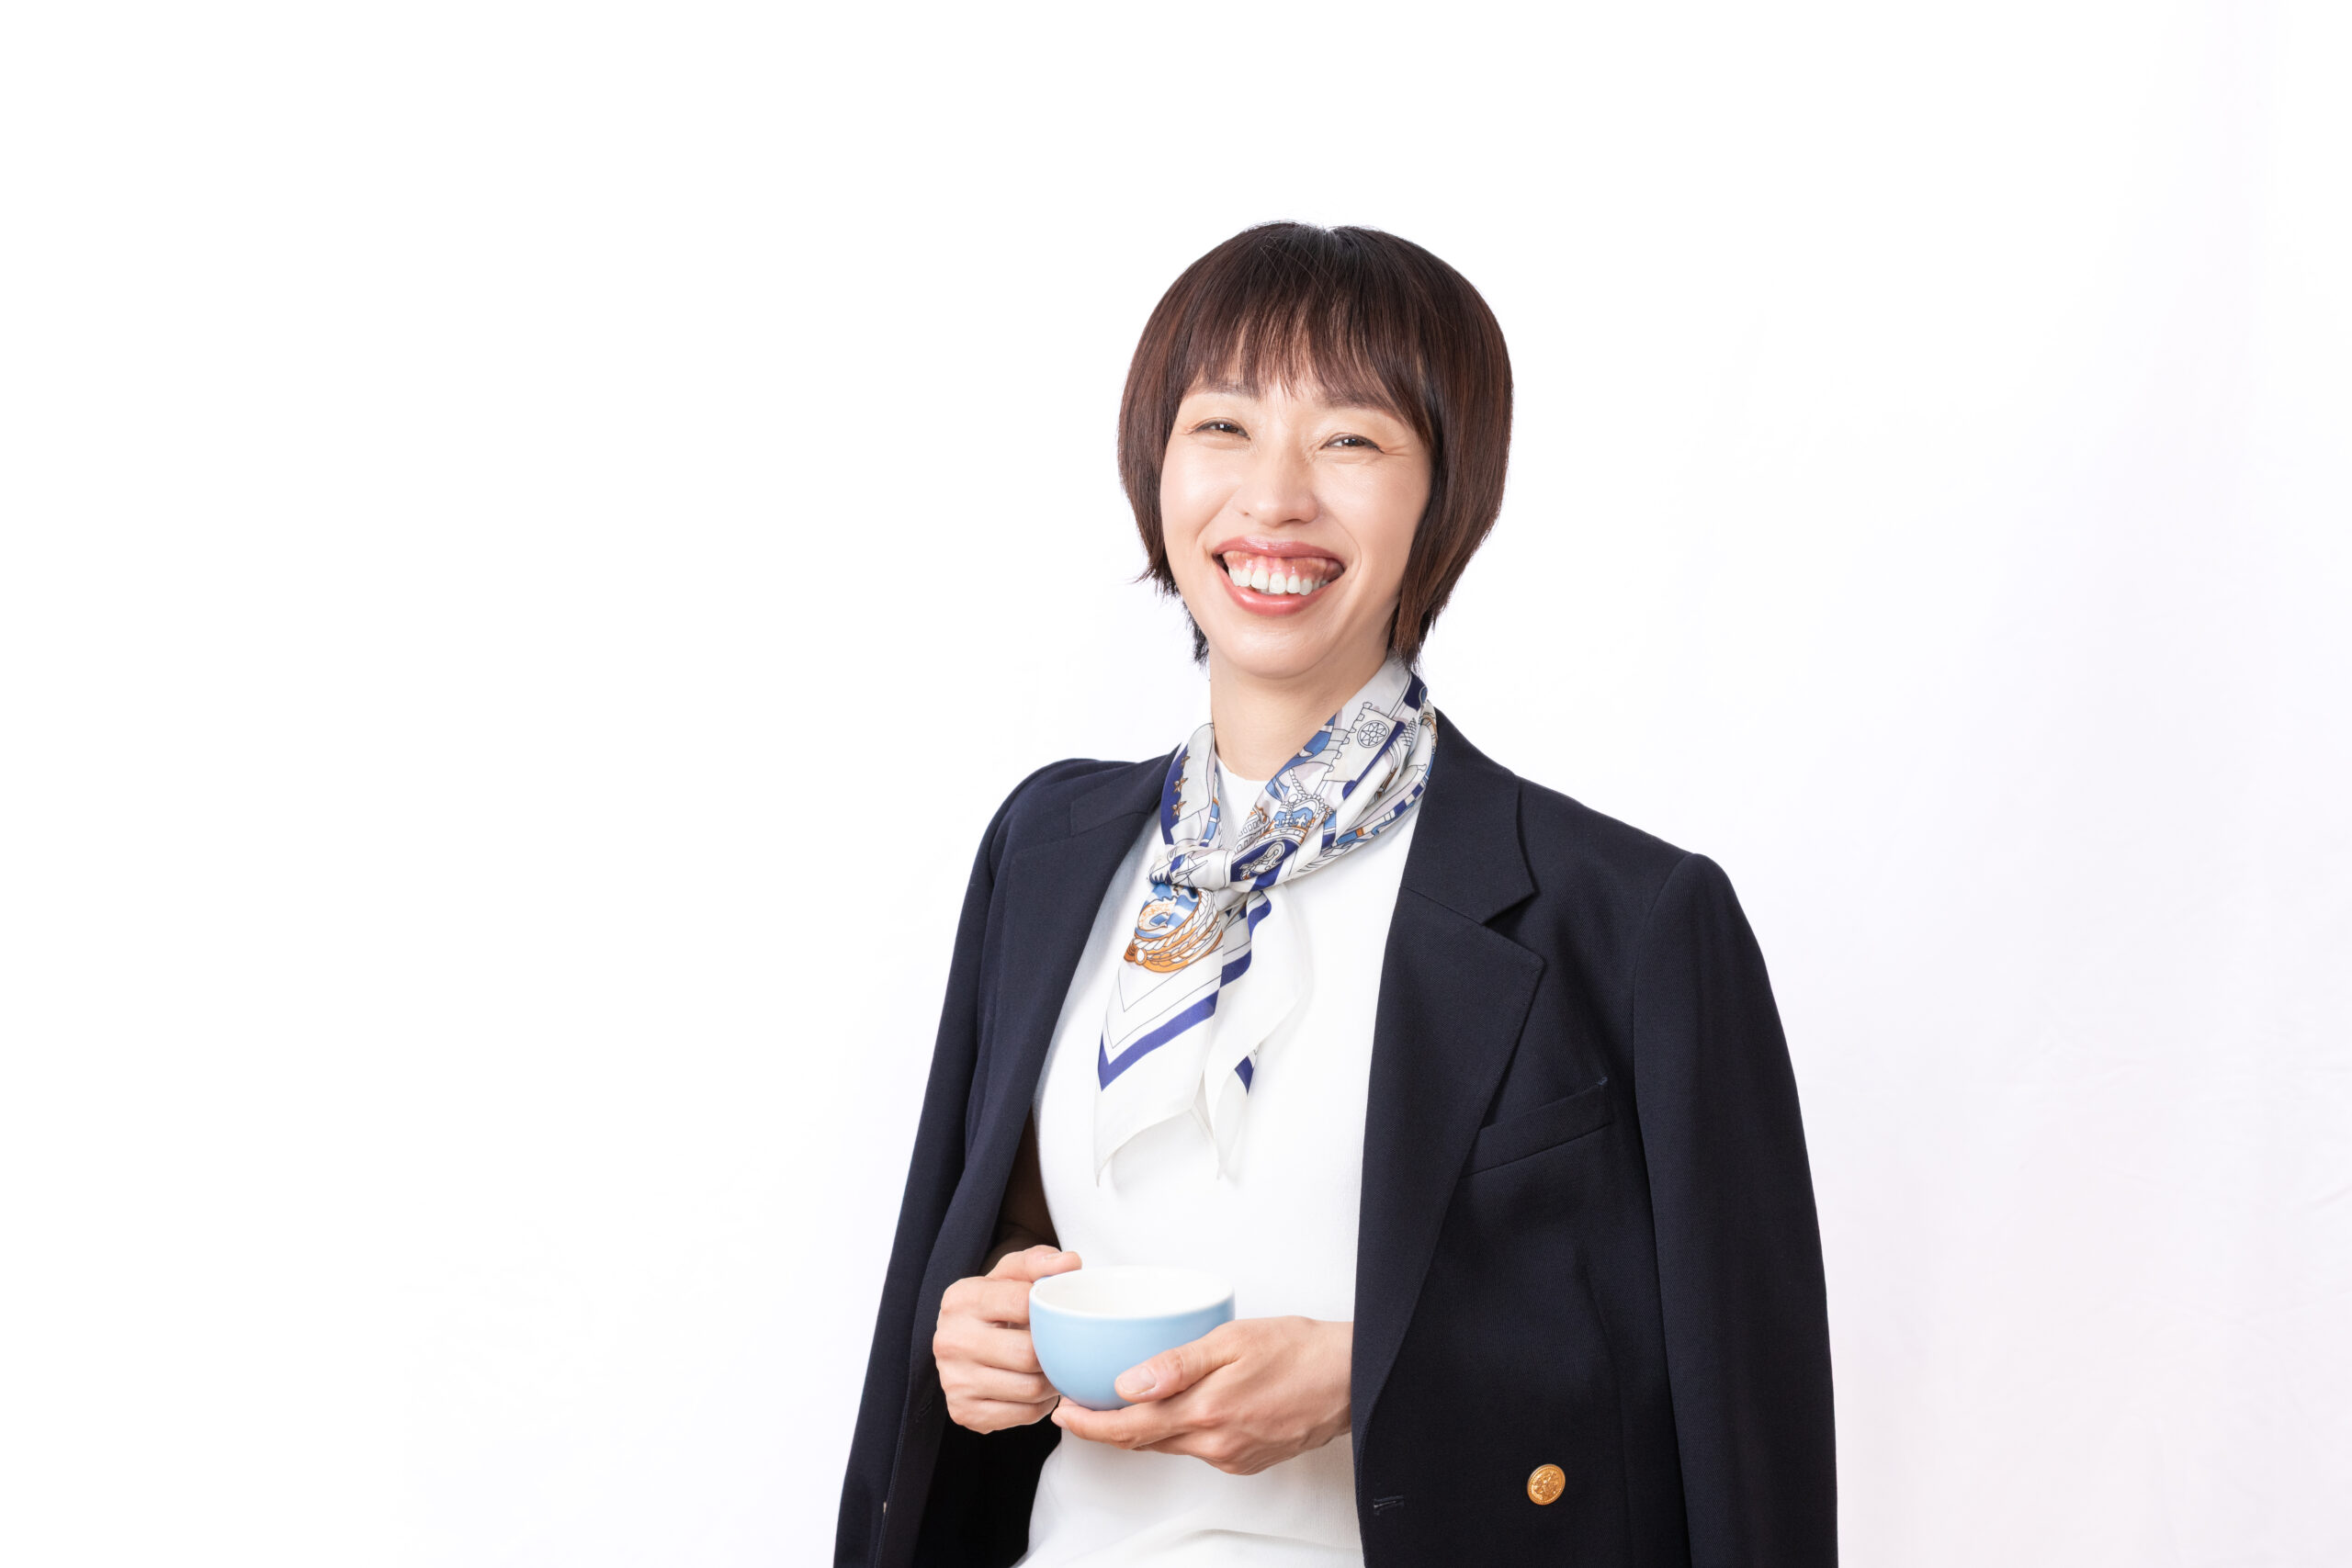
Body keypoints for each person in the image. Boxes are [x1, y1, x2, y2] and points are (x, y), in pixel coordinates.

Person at [834, 222, 1835, 1568]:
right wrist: (978, 1333)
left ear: (1447, 495)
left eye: (1352, 439)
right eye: (1224, 426)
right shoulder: (1049, 850)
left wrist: (1374, 1381)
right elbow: (1010, 1239)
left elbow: (1732, 1421)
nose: (1275, 497)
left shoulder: (1627, 917)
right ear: (1154, 464)